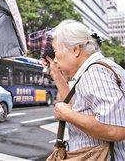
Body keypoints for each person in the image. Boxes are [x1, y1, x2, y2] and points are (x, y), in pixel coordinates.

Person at [43, 20, 125, 159]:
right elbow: (79, 106)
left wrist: (66, 114)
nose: (55, 59)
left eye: (56, 51)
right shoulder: (97, 69)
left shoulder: (94, 72)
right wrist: (56, 74)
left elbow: (115, 129)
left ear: (75, 49)